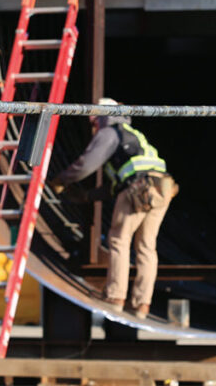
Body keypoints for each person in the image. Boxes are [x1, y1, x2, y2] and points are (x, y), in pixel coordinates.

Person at [51, 98, 178, 318]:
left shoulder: (110, 133)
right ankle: (142, 304)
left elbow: (87, 163)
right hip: (162, 187)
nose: (93, 125)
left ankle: (115, 296)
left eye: (94, 119)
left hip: (139, 187)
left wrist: (62, 179)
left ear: (102, 116)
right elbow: (117, 182)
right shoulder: (131, 135)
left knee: (119, 240)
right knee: (147, 247)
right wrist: (89, 196)